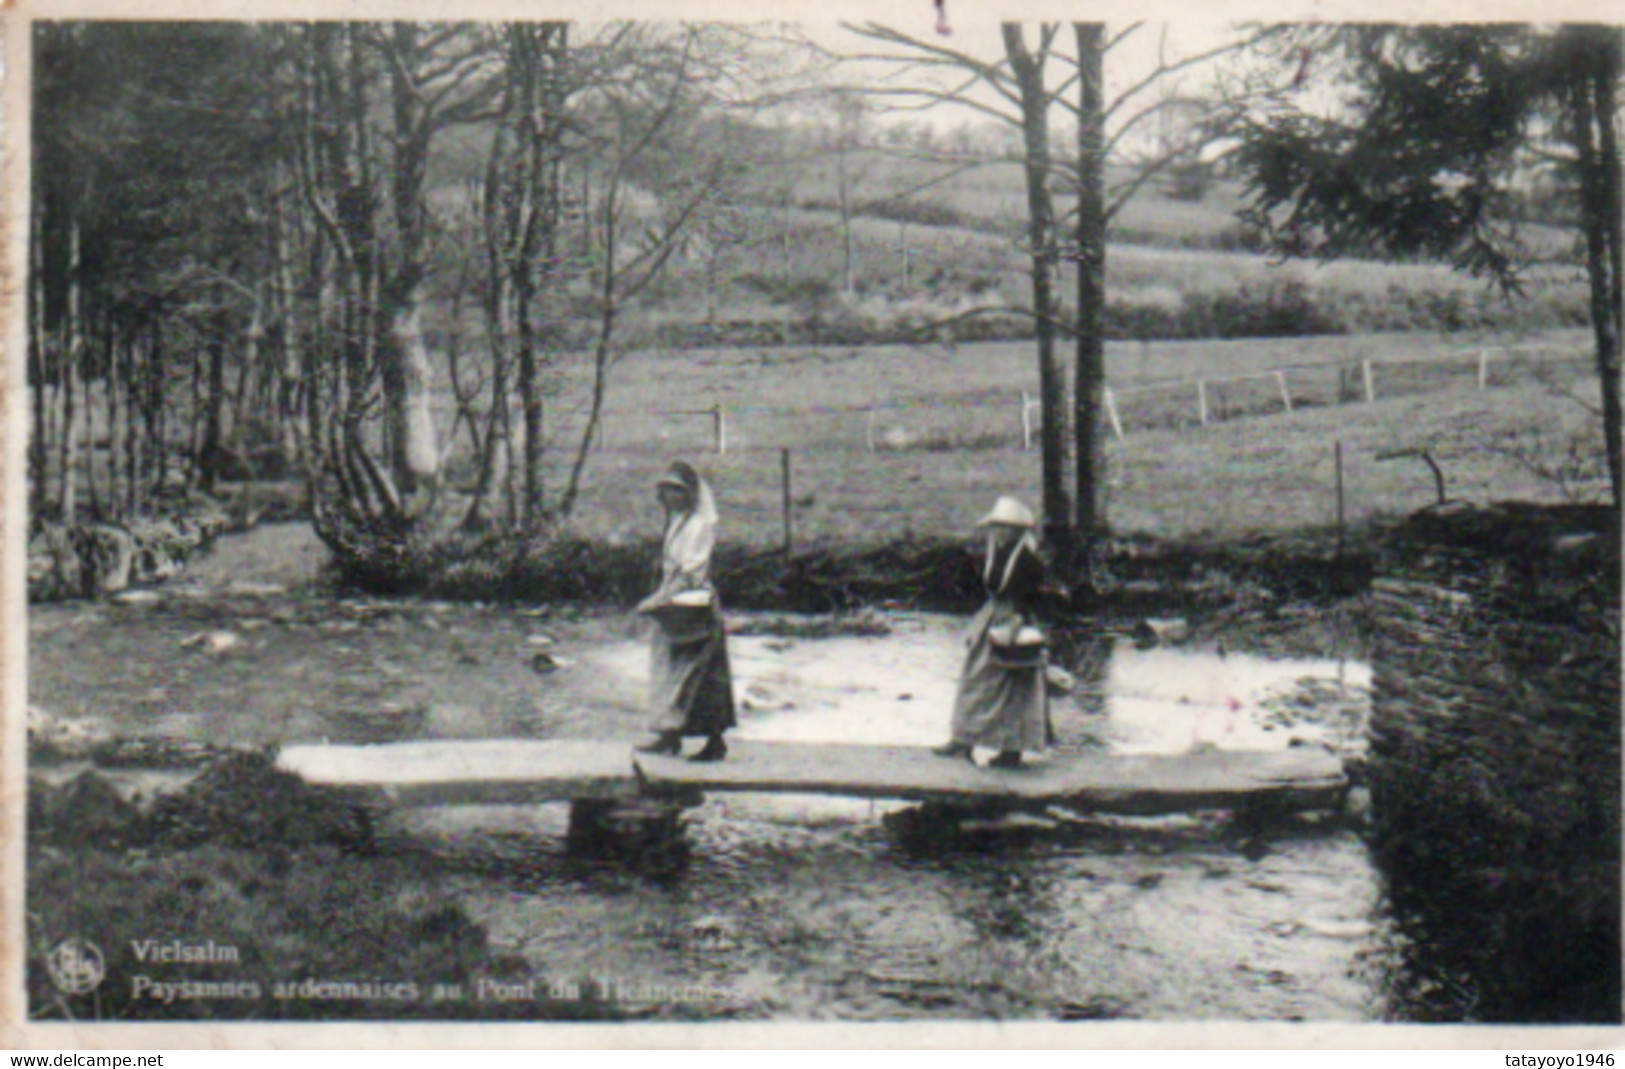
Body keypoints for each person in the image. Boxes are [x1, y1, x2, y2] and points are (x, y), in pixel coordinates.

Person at [934, 495, 1051, 769]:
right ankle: (964, 740)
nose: (998, 533)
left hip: (1014, 621)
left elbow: (1030, 597)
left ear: (1017, 531)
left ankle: (1012, 750)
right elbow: (990, 589)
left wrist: (1014, 625)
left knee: (1015, 687)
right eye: (996, 527)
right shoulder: (996, 553)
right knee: (975, 678)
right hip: (993, 615)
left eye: (1005, 528)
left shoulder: (1028, 561)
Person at [634, 461, 736, 762]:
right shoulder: (677, 522)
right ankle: (670, 735)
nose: (671, 497)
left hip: (695, 606)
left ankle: (715, 741)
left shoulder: (699, 526)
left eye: (678, 491)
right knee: (670, 671)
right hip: (675, 605)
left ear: (690, 494)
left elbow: (692, 571)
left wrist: (659, 598)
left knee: (702, 676)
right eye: (666, 491)